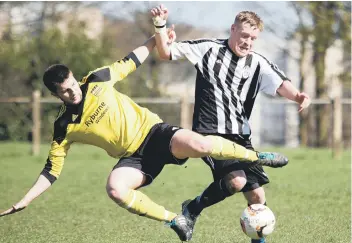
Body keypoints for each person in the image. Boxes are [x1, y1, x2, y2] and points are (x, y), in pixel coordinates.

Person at [0, 32, 288, 241]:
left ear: (75, 77)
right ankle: (176, 220)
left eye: (72, 83)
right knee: (115, 188)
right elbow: (51, 170)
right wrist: (25, 200)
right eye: (64, 90)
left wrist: (156, 35)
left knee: (200, 143)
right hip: (135, 158)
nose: (72, 91)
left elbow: (131, 60)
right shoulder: (64, 125)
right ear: (55, 95)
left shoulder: (98, 79)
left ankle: (257, 156)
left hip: (156, 133)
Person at [151, 4, 311, 242]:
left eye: (253, 38)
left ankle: (257, 239)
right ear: (233, 29)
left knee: (257, 197)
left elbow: (279, 83)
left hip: (240, 137)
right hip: (209, 135)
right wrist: (160, 26)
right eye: (244, 35)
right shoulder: (208, 49)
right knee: (237, 181)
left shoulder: (258, 62)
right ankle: (192, 209)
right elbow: (165, 53)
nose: (247, 42)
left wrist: (298, 95)